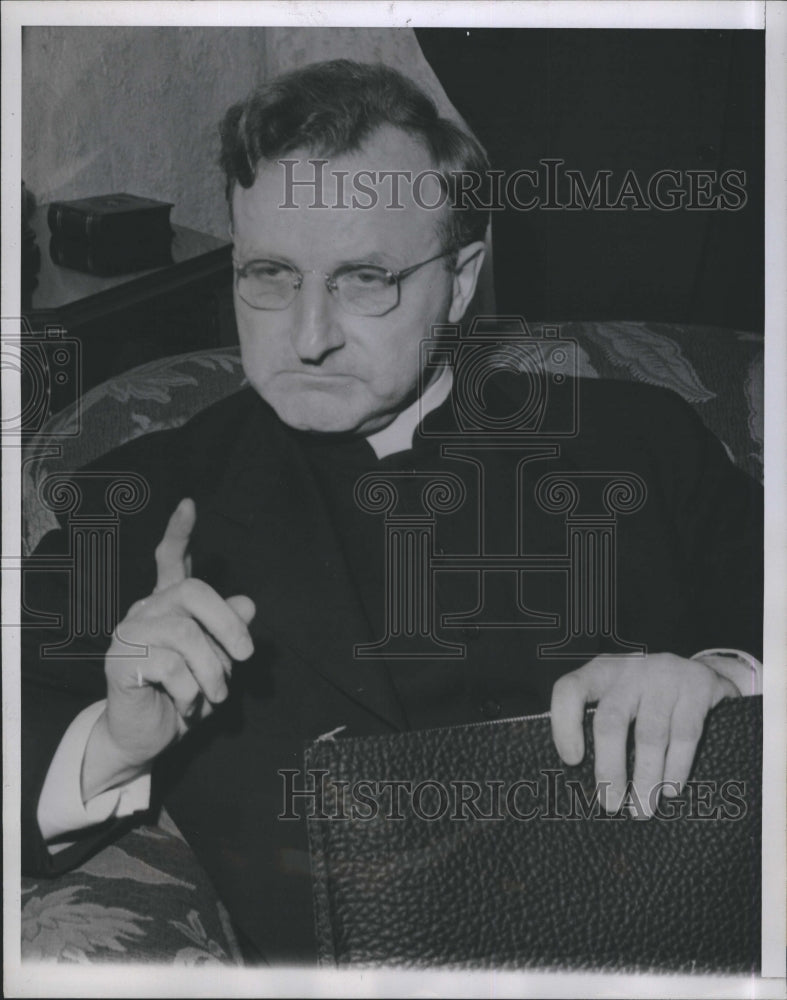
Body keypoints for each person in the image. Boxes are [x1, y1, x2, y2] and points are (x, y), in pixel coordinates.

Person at [21, 60, 763, 965]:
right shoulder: (131, 503)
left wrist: (726, 680)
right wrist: (115, 739)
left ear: (459, 281)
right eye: (269, 274)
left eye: (365, 278)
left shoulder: (640, 441)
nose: (308, 334)